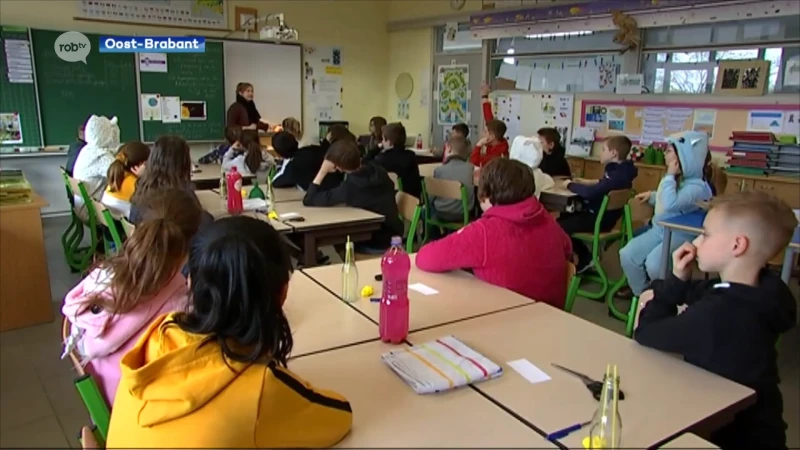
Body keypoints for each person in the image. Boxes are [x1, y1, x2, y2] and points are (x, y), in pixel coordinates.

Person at [106, 216, 353, 448]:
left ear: (190, 282)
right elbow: (340, 416)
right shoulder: (260, 388)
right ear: (283, 292)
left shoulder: (158, 336)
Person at [634, 190, 797, 450]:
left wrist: (672, 284)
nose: (697, 243)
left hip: (723, 436)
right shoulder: (767, 290)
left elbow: (647, 333)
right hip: (763, 430)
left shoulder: (718, 315)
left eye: (706, 234)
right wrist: (679, 284)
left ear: (737, 246)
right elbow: (704, 291)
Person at [61, 189, 203, 405]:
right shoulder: (180, 308)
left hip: (107, 399)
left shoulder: (104, 276)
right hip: (139, 411)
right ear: (190, 246)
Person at [416, 158, 573, 309]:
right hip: (551, 317)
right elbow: (568, 249)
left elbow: (425, 258)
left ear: (486, 193)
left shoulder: (483, 231)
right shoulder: (546, 219)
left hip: (504, 319)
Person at [619, 131, 714, 297]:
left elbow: (671, 204)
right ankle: (643, 295)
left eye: (669, 151)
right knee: (627, 254)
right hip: (659, 230)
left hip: (680, 234)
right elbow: (668, 199)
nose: (664, 153)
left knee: (655, 265)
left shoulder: (697, 187)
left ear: (682, 158)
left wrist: (669, 175)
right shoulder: (680, 179)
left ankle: (664, 295)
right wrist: (653, 196)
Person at [304, 139, 404, 251]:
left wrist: (323, 170)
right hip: (394, 230)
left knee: (338, 239)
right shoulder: (377, 169)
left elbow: (309, 199)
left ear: (339, 168)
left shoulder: (350, 189)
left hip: (377, 239)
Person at [557, 136, 638, 272]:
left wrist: (570, 184)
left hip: (600, 220)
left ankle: (585, 258)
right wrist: (586, 182)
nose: (601, 153)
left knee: (558, 226)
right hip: (605, 216)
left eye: (603, 149)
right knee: (565, 216)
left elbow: (590, 193)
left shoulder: (617, 175)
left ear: (613, 153)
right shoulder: (622, 170)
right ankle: (587, 257)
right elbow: (604, 184)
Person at [130, 135, 214, 228]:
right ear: (185, 163)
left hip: (148, 241)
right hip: (177, 241)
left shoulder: (141, 190)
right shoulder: (182, 195)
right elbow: (202, 223)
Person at [363, 122, 422, 199]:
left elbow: (364, 161)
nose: (382, 142)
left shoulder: (381, 159)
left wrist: (378, 147)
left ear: (390, 142)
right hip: (412, 202)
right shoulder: (411, 155)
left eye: (383, 139)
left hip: (390, 201)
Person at [272, 131, 343, 191]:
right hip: (340, 184)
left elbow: (275, 182)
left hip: (323, 193)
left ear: (280, 154)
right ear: (296, 141)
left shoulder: (292, 167)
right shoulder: (311, 149)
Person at [73, 115, 121, 201]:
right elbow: (121, 177)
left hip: (85, 205)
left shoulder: (87, 149)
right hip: (93, 210)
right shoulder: (102, 157)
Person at [430, 135, 475, 223]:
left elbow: (432, 197)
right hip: (463, 213)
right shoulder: (471, 169)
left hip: (441, 212)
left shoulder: (439, 170)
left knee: (427, 210)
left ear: (449, 148)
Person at [101, 141, 151, 218]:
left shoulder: (118, 176)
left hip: (114, 226)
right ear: (142, 164)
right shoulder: (134, 183)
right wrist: (145, 176)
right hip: (127, 227)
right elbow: (153, 201)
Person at [472, 82, 509, 168]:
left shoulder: (494, 157)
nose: (482, 133)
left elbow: (473, 162)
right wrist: (484, 97)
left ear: (492, 136)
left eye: (485, 132)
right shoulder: (500, 143)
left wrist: (479, 144)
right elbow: (489, 118)